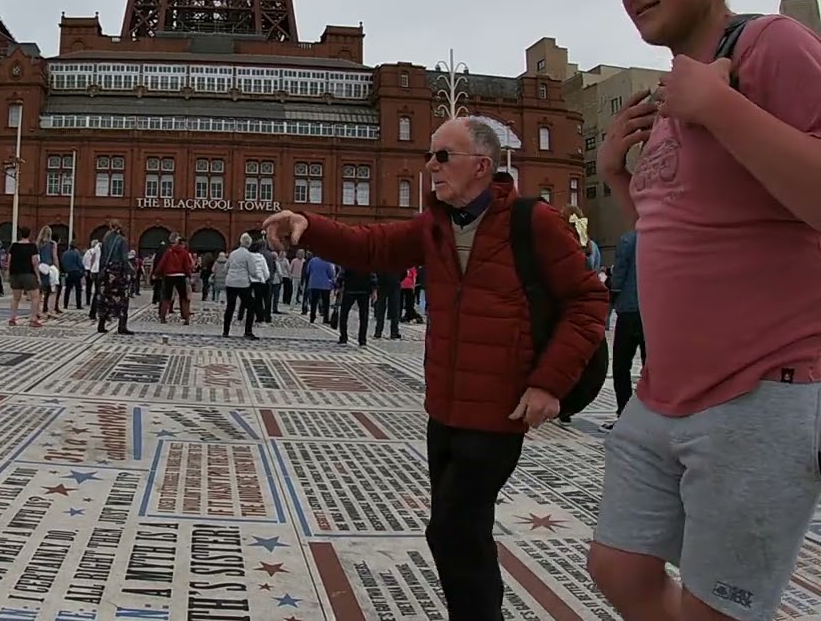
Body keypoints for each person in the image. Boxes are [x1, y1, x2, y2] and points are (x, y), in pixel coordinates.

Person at [263, 117, 607, 620]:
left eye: (443, 156)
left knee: (454, 527)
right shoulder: (437, 225)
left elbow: (588, 302)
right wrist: (308, 226)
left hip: (499, 409)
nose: (431, 166)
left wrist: (548, 385)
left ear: (482, 166)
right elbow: (372, 246)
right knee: (457, 530)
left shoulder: (534, 222)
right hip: (442, 411)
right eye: (431, 154)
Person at [588, 0, 821, 620]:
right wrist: (614, 173)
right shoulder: (677, 88)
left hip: (759, 389)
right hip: (665, 392)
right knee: (618, 568)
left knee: (716, 608)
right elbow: (677, 225)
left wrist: (719, 106)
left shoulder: (771, 45)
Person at [603, 229, 644, 431]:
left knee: (621, 366)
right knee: (651, 367)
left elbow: (618, 275)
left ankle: (625, 413)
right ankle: (649, 415)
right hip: (653, 311)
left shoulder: (628, 240)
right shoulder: (662, 238)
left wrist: (613, 293)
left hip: (629, 309)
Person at [96, 220, 133, 335]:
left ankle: (101, 324)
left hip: (106, 273)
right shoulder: (122, 240)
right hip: (118, 273)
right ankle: (122, 326)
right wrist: (130, 271)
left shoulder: (105, 240)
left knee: (104, 298)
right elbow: (124, 259)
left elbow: (102, 258)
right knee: (122, 299)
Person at [222, 234, 258, 339]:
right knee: (251, 307)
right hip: (242, 283)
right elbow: (253, 271)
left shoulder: (233, 254)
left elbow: (226, 268)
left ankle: (225, 331)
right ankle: (248, 331)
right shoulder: (248, 255)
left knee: (230, 307)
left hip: (230, 282)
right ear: (249, 244)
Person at [8, 227, 43, 327]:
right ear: (29, 234)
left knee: (15, 298)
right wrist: (38, 276)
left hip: (15, 274)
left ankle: (12, 318)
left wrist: (9, 273)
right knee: (35, 297)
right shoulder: (32, 246)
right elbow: (34, 262)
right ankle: (33, 319)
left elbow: (9, 260)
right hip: (29, 274)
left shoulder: (14, 246)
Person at [336, 266, 374, 346]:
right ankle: (362, 339)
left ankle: (343, 337)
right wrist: (373, 290)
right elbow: (372, 276)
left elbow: (342, 274)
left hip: (350, 290)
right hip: (364, 291)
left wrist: (339, 285)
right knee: (364, 316)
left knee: (344, 314)